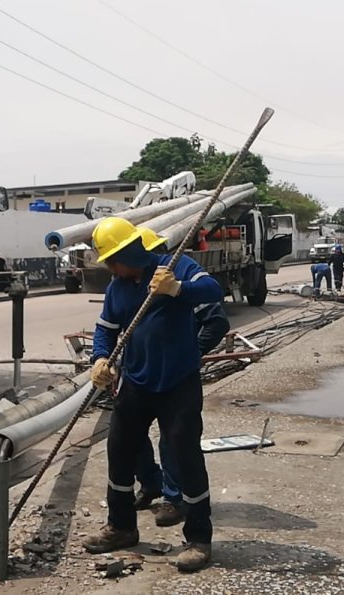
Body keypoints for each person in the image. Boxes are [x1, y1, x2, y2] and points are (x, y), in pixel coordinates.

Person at [84, 217, 223, 572]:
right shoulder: (118, 288)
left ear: (131, 250)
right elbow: (106, 330)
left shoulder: (175, 267)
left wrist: (176, 289)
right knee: (119, 450)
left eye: (114, 259)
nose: (111, 267)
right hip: (137, 382)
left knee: (185, 453)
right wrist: (101, 358)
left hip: (179, 382)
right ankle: (121, 527)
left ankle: (198, 537)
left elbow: (212, 292)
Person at [132, 227, 230, 529]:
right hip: (139, 375)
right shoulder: (134, 283)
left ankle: (175, 499)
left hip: (174, 377)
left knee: (173, 440)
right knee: (129, 435)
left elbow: (216, 322)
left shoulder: (180, 282)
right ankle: (151, 483)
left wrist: (188, 355)